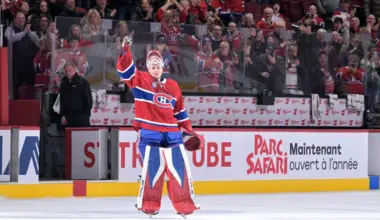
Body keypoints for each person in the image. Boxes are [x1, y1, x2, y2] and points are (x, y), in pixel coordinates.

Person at [116, 36, 202, 217]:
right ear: (148, 67)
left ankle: (184, 206)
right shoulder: (139, 80)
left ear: (163, 67)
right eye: (152, 66)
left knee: (179, 170)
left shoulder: (173, 86)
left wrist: (189, 131)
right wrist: (125, 49)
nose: (155, 69)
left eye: (158, 66)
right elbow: (125, 70)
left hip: (172, 133)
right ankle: (149, 206)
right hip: (149, 133)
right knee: (152, 171)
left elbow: (180, 113)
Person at [59, 62, 93, 127]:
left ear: (74, 70)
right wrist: (63, 115)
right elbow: (62, 100)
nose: (68, 73)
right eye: (66, 71)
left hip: (82, 116)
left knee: (82, 136)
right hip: (68, 117)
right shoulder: (63, 84)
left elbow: (88, 100)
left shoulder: (83, 82)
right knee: (69, 136)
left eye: (70, 71)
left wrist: (86, 114)